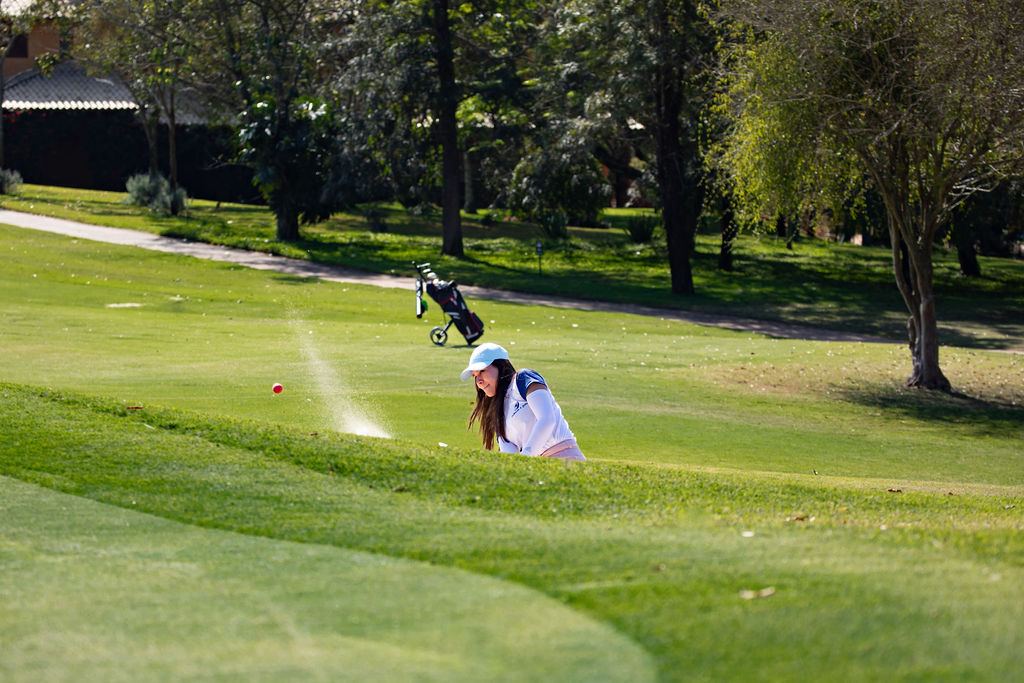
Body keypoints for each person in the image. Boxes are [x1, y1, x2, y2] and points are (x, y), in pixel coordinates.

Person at [461, 343, 585, 461]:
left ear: (502, 366)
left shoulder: (523, 379)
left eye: (482, 371)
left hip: (565, 458)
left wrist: (525, 459)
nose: (479, 381)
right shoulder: (497, 409)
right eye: (475, 375)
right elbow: (510, 453)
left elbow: (547, 419)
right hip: (535, 467)